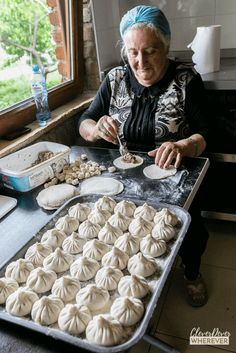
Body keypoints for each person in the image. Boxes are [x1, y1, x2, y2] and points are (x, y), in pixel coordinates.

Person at [78, 5, 209, 307]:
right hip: (122, 182)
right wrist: (96, 128)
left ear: (166, 46)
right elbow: (84, 121)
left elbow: (206, 133)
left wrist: (183, 146)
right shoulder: (114, 80)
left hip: (174, 179)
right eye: (133, 52)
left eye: (150, 51)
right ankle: (127, 276)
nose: (141, 61)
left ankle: (191, 272)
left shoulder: (186, 81)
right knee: (118, 234)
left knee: (191, 230)